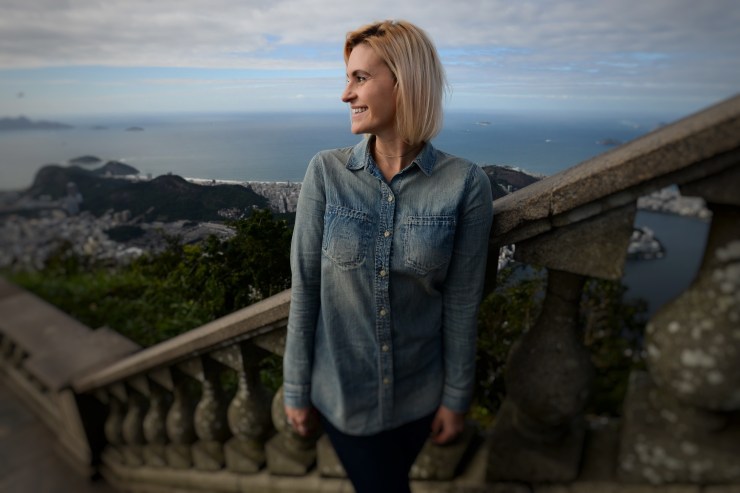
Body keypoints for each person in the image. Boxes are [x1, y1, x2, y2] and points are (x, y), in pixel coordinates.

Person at [283, 19, 493, 493]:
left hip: (420, 398)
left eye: (360, 78)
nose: (345, 94)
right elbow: (306, 288)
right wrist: (295, 389)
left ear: (405, 82)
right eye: (348, 78)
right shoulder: (326, 173)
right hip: (342, 400)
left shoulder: (465, 185)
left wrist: (456, 397)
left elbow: (462, 303)